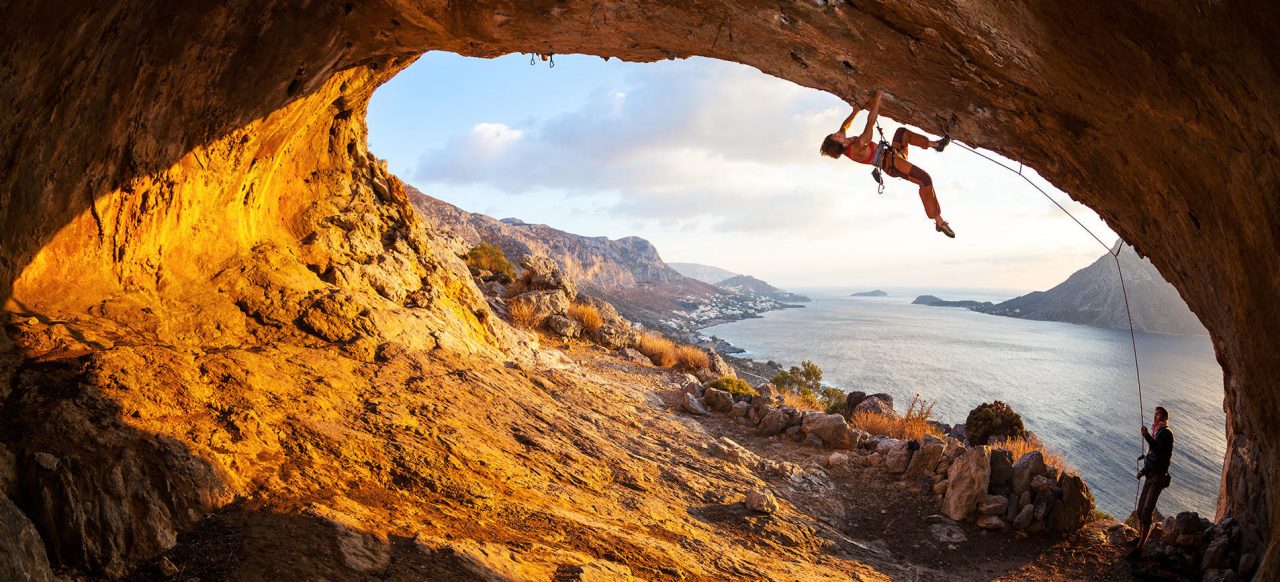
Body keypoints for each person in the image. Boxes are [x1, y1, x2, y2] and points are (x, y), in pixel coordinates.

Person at [819, 89, 955, 238]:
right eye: (835, 136)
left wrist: (855, 111)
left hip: (895, 153)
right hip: (892, 164)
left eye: (835, 134)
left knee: (902, 133)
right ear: (839, 144)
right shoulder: (856, 147)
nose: (837, 133)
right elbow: (870, 122)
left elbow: (844, 126)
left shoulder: (844, 141)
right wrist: (877, 98)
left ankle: (936, 145)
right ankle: (939, 222)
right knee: (925, 179)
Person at [1132, 405, 1174, 556]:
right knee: (1140, 509)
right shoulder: (1157, 432)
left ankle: (1140, 547)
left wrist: (1146, 436)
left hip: (1158, 478)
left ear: (1163, 417)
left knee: (1146, 511)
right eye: (1155, 414)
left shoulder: (1166, 434)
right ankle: (1139, 538)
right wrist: (1142, 472)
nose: (1155, 417)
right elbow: (1151, 458)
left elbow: (1158, 450)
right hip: (1150, 475)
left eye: (1158, 415)